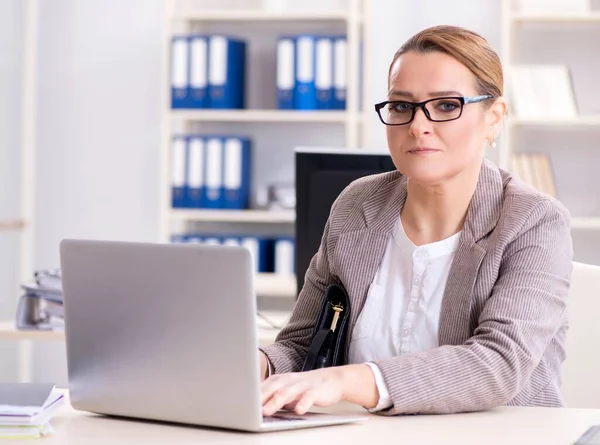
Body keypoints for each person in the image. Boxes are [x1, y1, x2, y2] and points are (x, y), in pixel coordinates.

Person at [259, 25, 573, 416]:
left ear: (493, 118)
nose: (417, 126)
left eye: (445, 105)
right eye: (401, 106)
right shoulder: (356, 204)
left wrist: (348, 380)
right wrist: (258, 366)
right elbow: (303, 345)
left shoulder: (534, 221)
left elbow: (497, 364)